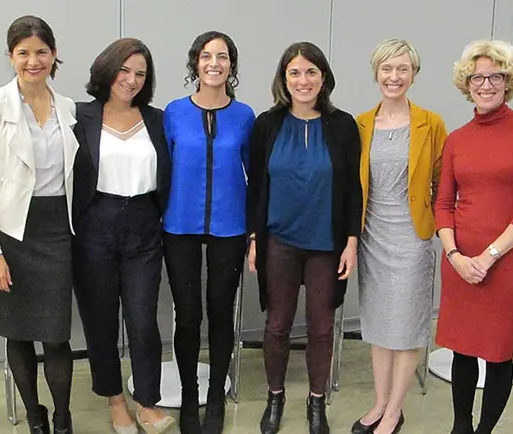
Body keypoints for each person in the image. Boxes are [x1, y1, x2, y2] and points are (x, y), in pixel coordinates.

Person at [434, 39, 513, 434]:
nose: (485, 84)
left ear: (508, 81)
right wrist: (455, 256)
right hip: (460, 262)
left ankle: (483, 431)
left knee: (498, 352)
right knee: (463, 350)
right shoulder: (457, 139)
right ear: (466, 84)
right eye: (477, 77)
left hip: (507, 263)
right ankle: (460, 427)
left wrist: (488, 257)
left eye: (495, 76)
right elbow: (443, 204)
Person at [0, 15, 78, 434]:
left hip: (55, 229)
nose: (33, 61)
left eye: (41, 52)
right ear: (11, 56)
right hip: (11, 233)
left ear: (53, 55)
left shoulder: (67, 107)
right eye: (23, 53)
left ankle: (63, 417)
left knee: (55, 334)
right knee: (18, 332)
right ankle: (35, 417)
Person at [247, 41, 362, 434]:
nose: (303, 80)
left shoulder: (343, 125)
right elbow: (256, 188)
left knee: (320, 327)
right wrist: (253, 238)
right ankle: (274, 396)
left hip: (326, 244)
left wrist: (351, 240)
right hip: (279, 240)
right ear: (284, 78)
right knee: (277, 324)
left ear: (324, 77)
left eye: (311, 71)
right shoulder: (267, 124)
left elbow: (352, 189)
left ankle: (317, 402)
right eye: (294, 72)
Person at [71, 38, 175, 434]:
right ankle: (115, 400)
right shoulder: (79, 116)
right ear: (107, 69)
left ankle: (146, 402)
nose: (131, 80)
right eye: (124, 70)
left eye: (140, 74)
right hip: (95, 223)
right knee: (99, 321)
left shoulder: (157, 119)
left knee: (143, 319)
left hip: (145, 224)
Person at [351, 38, 448, 434]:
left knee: (405, 327)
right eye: (387, 69)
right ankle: (378, 402)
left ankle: (395, 409)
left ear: (414, 74)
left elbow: (444, 182)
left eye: (403, 69)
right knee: (377, 325)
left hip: (412, 239)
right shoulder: (360, 124)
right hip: (371, 235)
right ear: (376, 73)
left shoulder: (431, 123)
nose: (394, 76)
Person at [162, 30, 255, 434]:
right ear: (195, 64)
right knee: (188, 314)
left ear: (231, 65)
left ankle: (215, 394)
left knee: (220, 311)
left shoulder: (246, 116)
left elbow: (254, 174)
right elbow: (161, 168)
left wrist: (253, 233)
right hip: (179, 225)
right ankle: (188, 395)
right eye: (205, 56)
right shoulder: (173, 112)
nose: (213, 63)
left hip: (229, 227)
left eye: (222, 56)